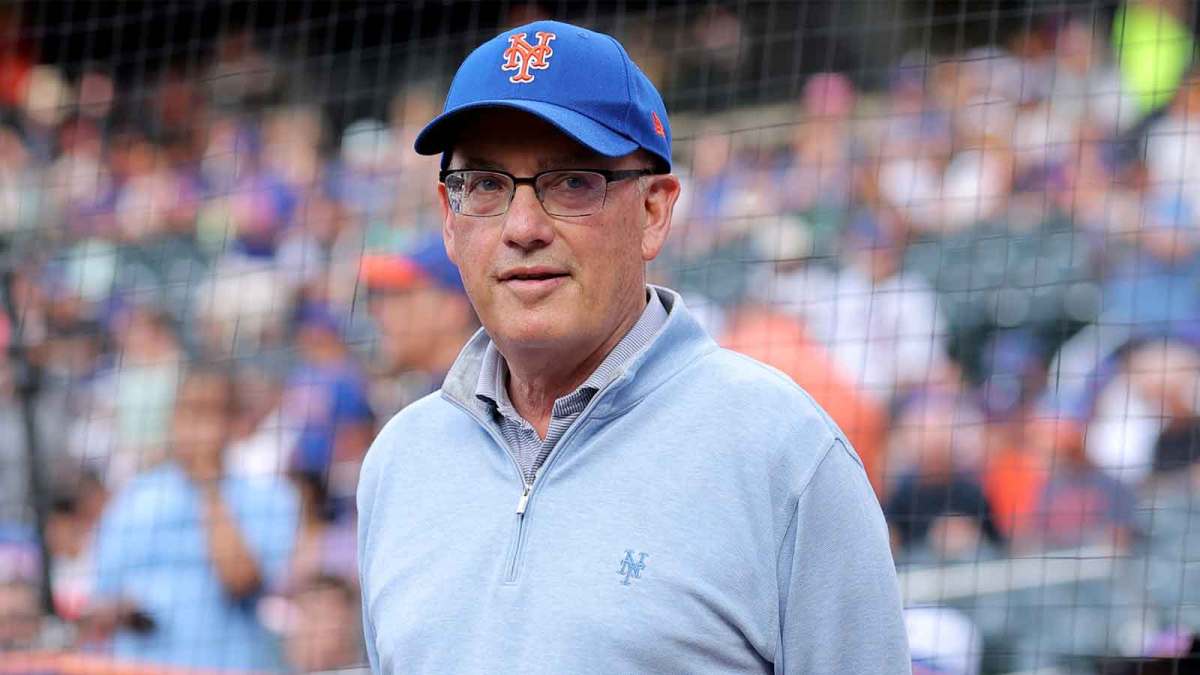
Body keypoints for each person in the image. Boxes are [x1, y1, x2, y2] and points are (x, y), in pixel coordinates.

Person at [356, 20, 909, 674]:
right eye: (484, 184)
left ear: (654, 211)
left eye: (571, 182)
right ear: (449, 220)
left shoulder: (782, 449)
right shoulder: (399, 461)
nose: (523, 227)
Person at [85, 364, 299, 671]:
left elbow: (241, 581)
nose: (196, 428)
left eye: (208, 413)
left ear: (235, 424)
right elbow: (102, 598)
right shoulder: (134, 498)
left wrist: (209, 485)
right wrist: (123, 612)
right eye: (188, 412)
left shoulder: (271, 497)